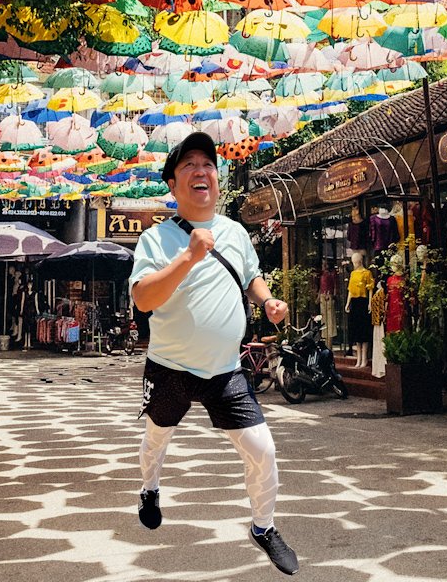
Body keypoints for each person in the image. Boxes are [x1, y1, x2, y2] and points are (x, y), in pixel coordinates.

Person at [130, 132, 299, 575]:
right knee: (156, 438)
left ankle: (263, 527)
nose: (200, 171)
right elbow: (143, 299)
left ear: (217, 180)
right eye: (188, 165)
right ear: (172, 184)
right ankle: (149, 488)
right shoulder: (155, 239)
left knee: (262, 449)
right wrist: (188, 257)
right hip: (170, 368)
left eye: (207, 164)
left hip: (225, 371)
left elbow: (250, 275)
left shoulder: (235, 232)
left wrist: (267, 300)